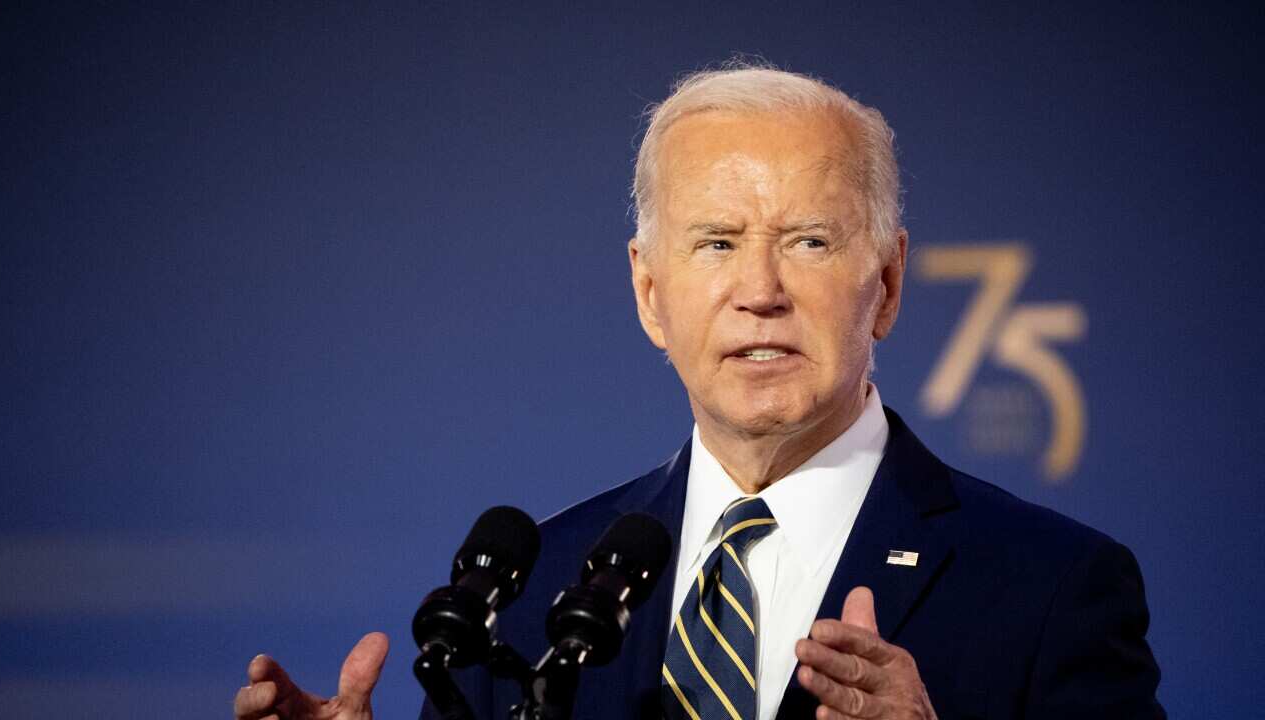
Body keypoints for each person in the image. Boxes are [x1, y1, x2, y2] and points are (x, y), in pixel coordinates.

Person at [233, 62, 1164, 720]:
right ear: (650, 293)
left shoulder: (1051, 588)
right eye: (716, 243)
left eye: (809, 240)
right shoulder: (529, 601)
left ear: (886, 282)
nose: (760, 290)